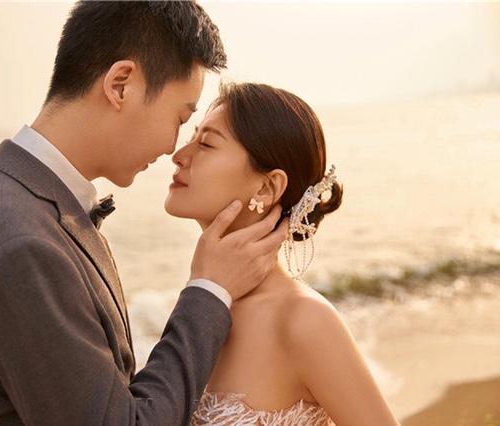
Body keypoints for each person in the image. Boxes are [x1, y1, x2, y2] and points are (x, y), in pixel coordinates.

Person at [0, 2, 288, 425]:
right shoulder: (23, 238)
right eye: (180, 118)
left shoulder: (7, 195)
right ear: (121, 85)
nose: (172, 148)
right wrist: (209, 290)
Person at [165, 82, 400, 426]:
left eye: (206, 144)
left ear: (266, 187)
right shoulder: (203, 305)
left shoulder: (304, 320)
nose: (178, 155)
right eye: (192, 137)